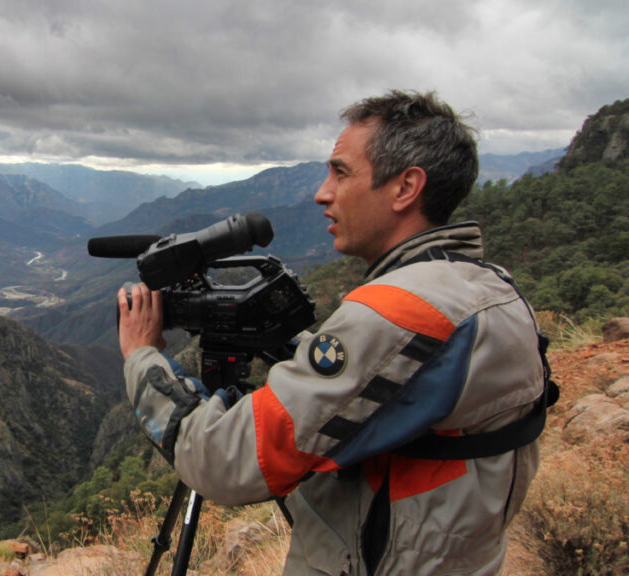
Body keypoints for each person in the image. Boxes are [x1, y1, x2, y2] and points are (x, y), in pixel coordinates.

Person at [117, 90, 547, 575]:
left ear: (405, 188)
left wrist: (141, 355)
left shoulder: (401, 311)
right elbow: (393, 394)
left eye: (340, 172)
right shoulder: (490, 287)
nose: (322, 192)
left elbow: (221, 461)